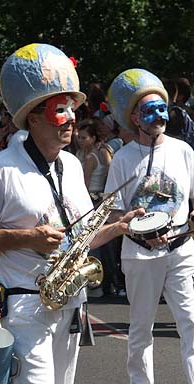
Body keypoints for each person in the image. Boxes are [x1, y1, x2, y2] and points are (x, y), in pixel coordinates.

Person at [0, 43, 144, 384]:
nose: (72, 118)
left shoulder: (71, 165)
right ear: (32, 116)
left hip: (70, 305)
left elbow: (81, 237)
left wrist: (119, 227)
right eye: (61, 109)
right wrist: (29, 236)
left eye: (73, 109)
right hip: (26, 308)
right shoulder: (1, 169)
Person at [105, 68, 194, 383]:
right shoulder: (124, 159)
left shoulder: (184, 151)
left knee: (191, 322)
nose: (158, 116)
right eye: (149, 111)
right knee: (141, 329)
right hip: (140, 256)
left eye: (162, 109)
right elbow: (114, 214)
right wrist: (132, 228)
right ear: (135, 119)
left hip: (181, 251)